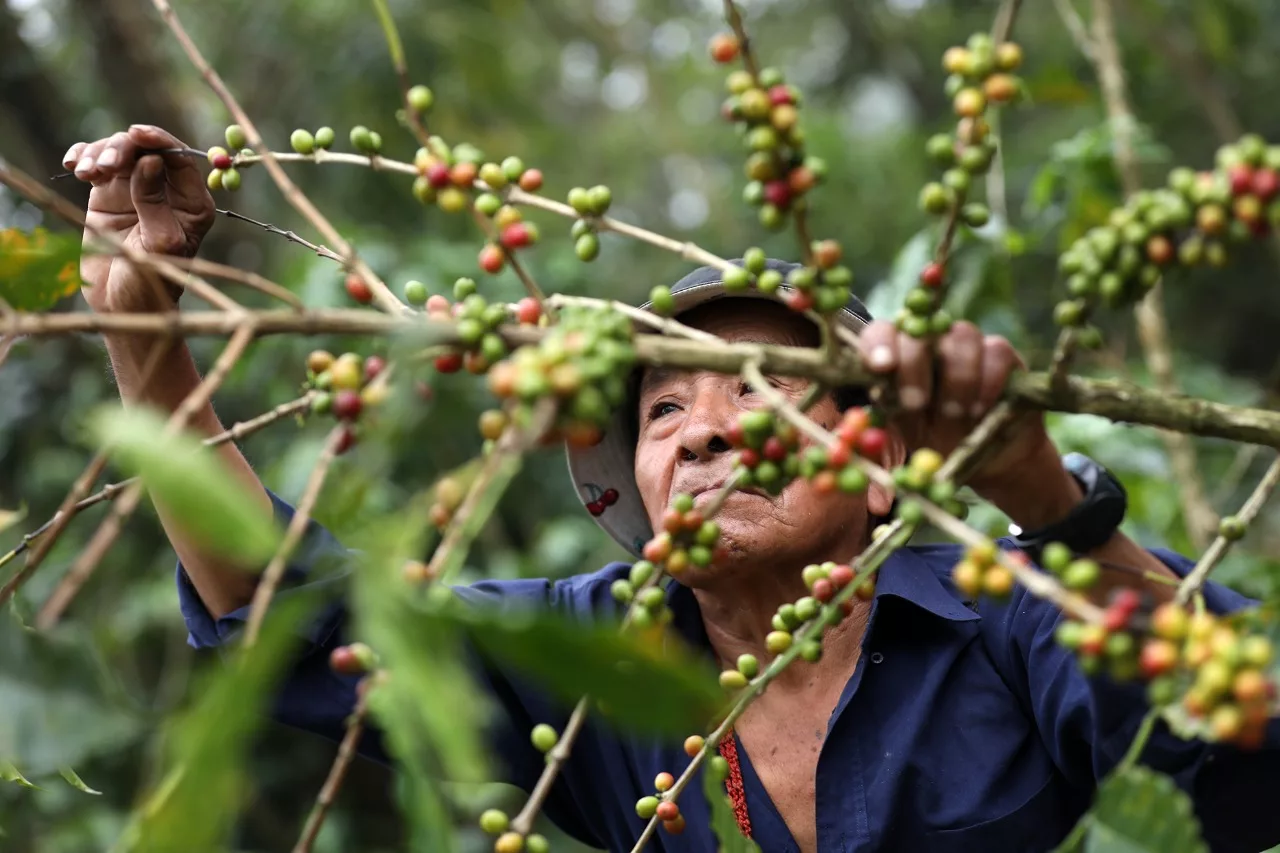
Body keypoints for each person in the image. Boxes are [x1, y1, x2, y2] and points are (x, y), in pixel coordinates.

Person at [67, 125, 1280, 853]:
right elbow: (286, 615)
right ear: (633, 492)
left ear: (878, 460)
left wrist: (1044, 512)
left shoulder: (1003, 611)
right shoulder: (599, 658)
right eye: (660, 410)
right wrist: (145, 341)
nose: (702, 434)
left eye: (757, 394)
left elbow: (1242, 748)